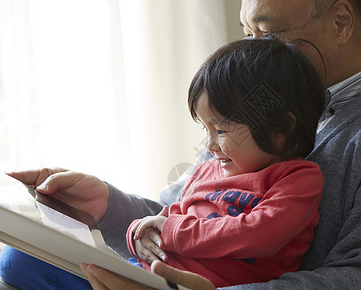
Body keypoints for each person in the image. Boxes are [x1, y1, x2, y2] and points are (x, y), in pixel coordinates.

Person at [2, 0, 361, 289]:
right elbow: (179, 221)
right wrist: (103, 208)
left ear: (340, 22)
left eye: (269, 33)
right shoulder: (245, 108)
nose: (253, 51)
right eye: (246, 33)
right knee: (20, 262)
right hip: (177, 276)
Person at [1, 37, 326, 288]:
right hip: (145, 274)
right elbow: (165, 217)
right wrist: (138, 236)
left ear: (282, 130)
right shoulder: (209, 170)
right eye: (206, 129)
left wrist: (168, 231)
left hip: (188, 285)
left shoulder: (299, 179)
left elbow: (258, 234)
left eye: (222, 130)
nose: (210, 145)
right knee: (17, 261)